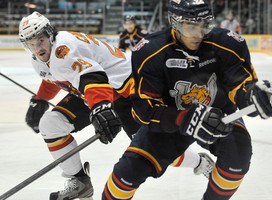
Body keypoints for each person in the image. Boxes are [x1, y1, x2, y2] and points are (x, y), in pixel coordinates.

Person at [101, 0, 272, 200]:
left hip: (219, 116)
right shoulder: (150, 52)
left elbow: (240, 85)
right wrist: (184, 118)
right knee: (126, 174)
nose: (199, 34)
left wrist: (254, 96)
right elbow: (145, 109)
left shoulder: (228, 44)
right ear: (175, 23)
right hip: (170, 121)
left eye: (204, 25)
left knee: (238, 158)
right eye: (191, 26)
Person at [19, 11, 215, 200]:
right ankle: (79, 181)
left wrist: (100, 107)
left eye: (41, 40)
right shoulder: (42, 60)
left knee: (152, 148)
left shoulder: (64, 50)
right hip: (95, 91)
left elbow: (93, 75)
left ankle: (200, 162)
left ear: (51, 35)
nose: (38, 49)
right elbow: (56, 76)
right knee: (51, 125)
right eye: (31, 44)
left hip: (127, 89)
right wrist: (39, 99)